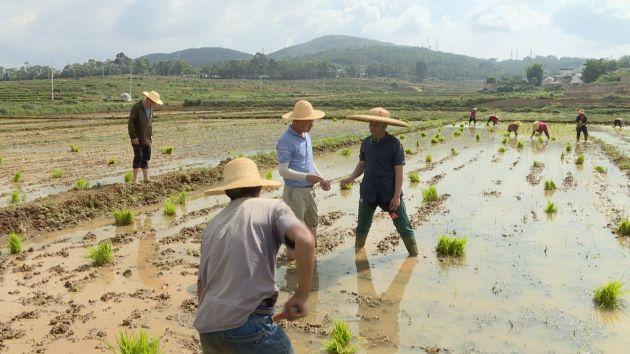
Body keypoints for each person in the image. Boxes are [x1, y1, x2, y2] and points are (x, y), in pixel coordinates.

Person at [195, 157, 315, 354]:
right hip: (247, 323)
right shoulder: (273, 208)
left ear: (227, 191)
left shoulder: (212, 226)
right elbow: (305, 240)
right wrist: (301, 295)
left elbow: (201, 285)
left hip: (208, 331)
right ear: (259, 188)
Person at [341, 107, 418, 257]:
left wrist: (396, 196)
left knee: (403, 225)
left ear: (385, 126)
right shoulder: (366, 143)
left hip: (389, 195)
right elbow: (362, 164)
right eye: (371, 124)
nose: (372, 127)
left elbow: (399, 173)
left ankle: (414, 255)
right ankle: (358, 252)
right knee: (362, 225)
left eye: (376, 124)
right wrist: (351, 178)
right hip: (368, 193)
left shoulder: (395, 145)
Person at [276, 100, 331, 245]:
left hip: (309, 190)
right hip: (295, 192)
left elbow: (309, 161)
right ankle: (293, 261)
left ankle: (312, 257)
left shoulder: (306, 135)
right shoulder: (286, 141)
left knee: (312, 224)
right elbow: (283, 171)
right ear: (298, 121)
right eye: (309, 121)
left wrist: (320, 178)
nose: (312, 124)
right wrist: (306, 177)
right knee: (294, 230)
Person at [128, 91, 162, 183]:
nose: (155, 104)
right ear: (149, 100)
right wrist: (133, 137)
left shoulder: (151, 108)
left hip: (147, 137)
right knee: (138, 156)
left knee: (146, 157)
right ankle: (135, 180)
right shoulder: (137, 107)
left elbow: (149, 123)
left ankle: (146, 178)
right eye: (155, 102)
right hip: (137, 138)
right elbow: (131, 122)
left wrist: (151, 135)